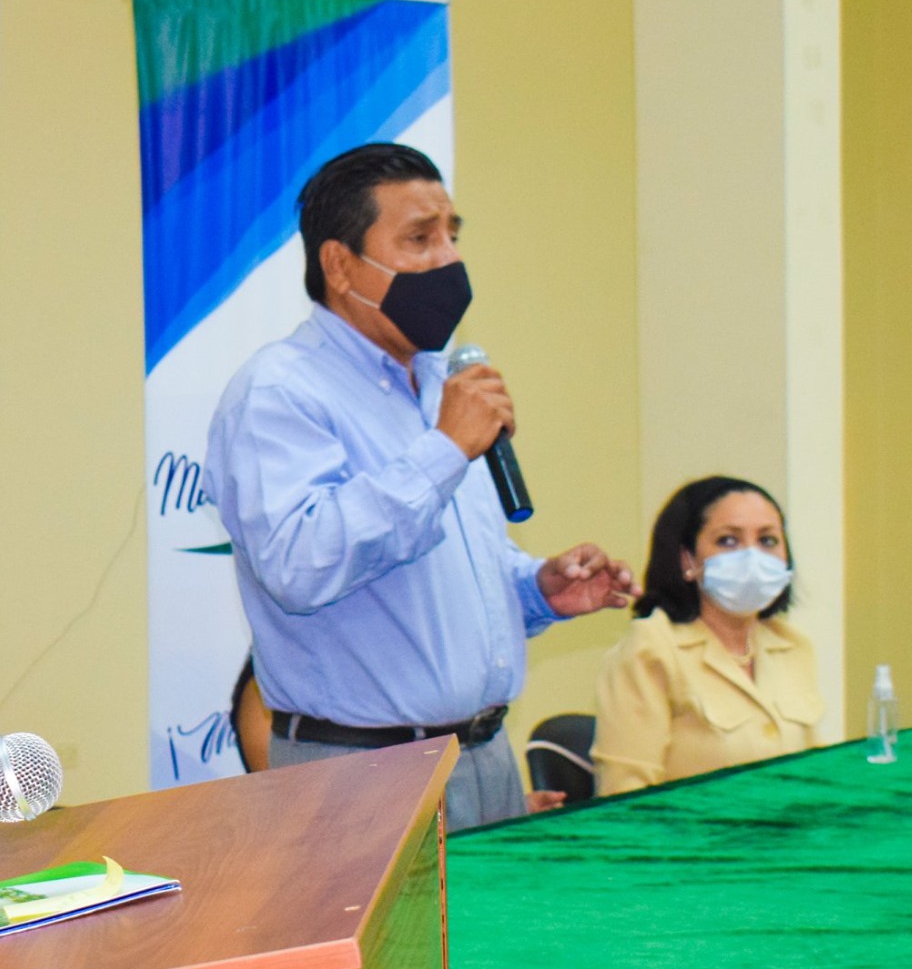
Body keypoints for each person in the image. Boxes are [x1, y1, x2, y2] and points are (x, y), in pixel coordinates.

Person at [205, 142, 637, 829]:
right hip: (359, 776)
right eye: (419, 238)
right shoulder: (281, 391)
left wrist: (537, 589)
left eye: (452, 235)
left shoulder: (440, 382)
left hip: (487, 760)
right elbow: (299, 564)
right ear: (340, 265)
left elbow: (439, 580)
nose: (448, 259)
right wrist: (444, 449)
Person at [592, 476, 823, 794]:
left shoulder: (792, 646)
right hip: (691, 827)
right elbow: (625, 793)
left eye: (768, 540)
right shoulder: (651, 647)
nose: (752, 556)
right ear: (687, 559)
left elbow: (814, 776)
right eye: (728, 540)